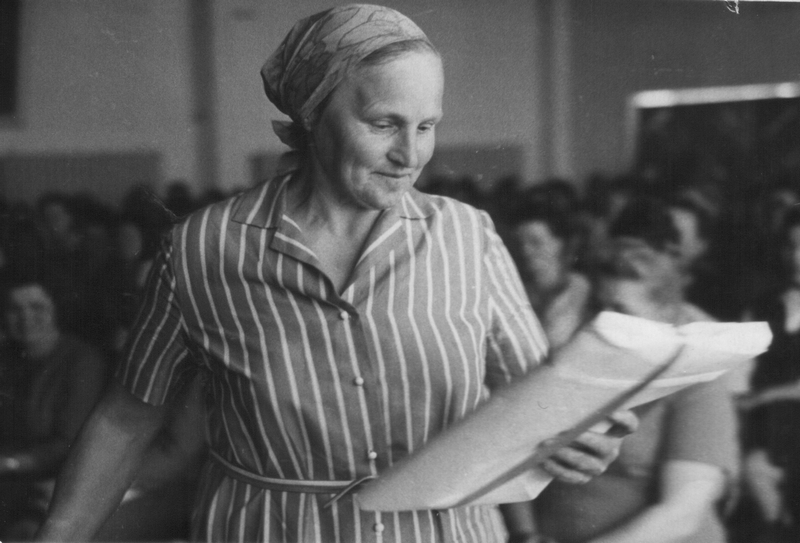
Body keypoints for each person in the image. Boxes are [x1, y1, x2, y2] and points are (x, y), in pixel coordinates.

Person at [36, 5, 635, 542]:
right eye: (383, 124)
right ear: (312, 115)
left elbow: (534, 396)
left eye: (426, 126)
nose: (410, 155)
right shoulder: (204, 249)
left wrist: (578, 435)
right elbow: (127, 417)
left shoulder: (466, 236)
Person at [531, 199, 739, 543]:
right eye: (598, 307)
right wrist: (525, 534)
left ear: (665, 316)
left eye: (622, 311)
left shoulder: (699, 382)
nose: (604, 324)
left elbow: (681, 514)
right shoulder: (572, 367)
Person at [0, 274, 107, 539]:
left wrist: (11, 463)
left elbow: (69, 443)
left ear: (55, 308)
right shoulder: (7, 357)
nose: (25, 317)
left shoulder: (82, 362)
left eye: (36, 307)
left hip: (53, 479)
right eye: (15, 309)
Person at [737, 206, 800, 543]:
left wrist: (764, 396)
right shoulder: (764, 304)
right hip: (763, 423)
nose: (797, 258)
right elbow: (740, 368)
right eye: (792, 246)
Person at [511, 200, 591, 350]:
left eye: (535, 242)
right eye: (520, 243)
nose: (525, 251)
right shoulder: (517, 291)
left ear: (562, 244)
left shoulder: (580, 292)